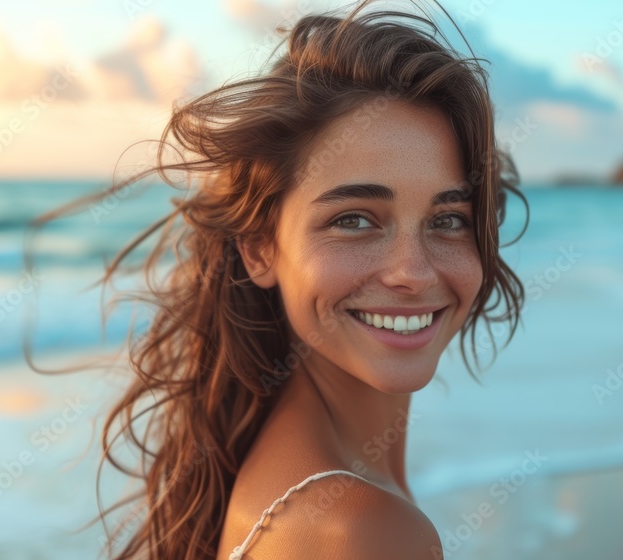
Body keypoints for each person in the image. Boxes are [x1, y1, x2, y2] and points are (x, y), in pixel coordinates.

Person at [28, 0, 527, 558]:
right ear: (260, 247)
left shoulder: (298, 481)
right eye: (354, 219)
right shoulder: (357, 528)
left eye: (448, 220)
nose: (412, 271)